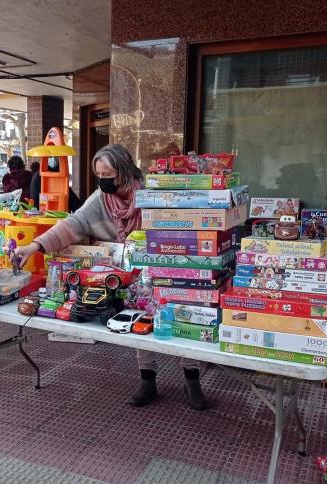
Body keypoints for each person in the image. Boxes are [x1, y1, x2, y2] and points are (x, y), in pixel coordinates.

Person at [14, 144, 207, 410]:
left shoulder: (153, 192)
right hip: (129, 274)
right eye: (99, 174)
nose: (103, 180)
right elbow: (73, 224)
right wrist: (35, 246)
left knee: (180, 314)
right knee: (138, 321)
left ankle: (191, 379)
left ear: (125, 171)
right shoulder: (103, 199)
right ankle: (147, 380)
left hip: (167, 266)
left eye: (108, 174)